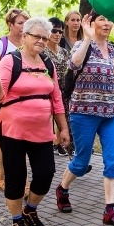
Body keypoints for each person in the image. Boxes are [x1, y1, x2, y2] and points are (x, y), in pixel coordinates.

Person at [0, 17, 70, 226]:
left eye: (45, 37)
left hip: (42, 130)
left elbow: (57, 98)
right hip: (12, 128)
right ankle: (16, 220)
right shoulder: (9, 61)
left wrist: (63, 128)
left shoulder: (47, 63)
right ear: (25, 36)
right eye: (37, 37)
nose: (42, 41)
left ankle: (30, 210)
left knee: (45, 172)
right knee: (16, 176)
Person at [55, 10, 114, 226]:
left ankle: (110, 209)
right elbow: (74, 64)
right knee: (81, 162)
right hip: (84, 112)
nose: (106, 24)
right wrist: (87, 37)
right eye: (102, 19)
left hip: (110, 113)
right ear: (92, 23)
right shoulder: (82, 45)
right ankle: (63, 188)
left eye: (109, 20)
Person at [0, 8, 29, 190]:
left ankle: (4, 177)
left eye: (27, 23)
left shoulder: (30, 44)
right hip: (2, 100)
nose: (23, 27)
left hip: (24, 102)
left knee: (17, 141)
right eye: (20, 23)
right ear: (10, 25)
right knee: (8, 141)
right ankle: (5, 179)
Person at [43, 16, 71, 155]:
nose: (57, 34)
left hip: (62, 87)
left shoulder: (64, 52)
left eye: (60, 31)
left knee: (62, 115)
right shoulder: (42, 51)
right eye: (54, 31)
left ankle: (59, 143)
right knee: (46, 117)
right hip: (46, 87)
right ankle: (47, 142)